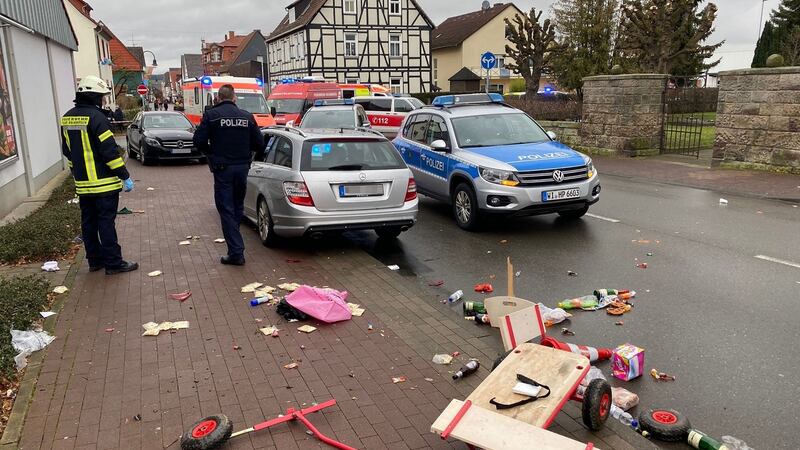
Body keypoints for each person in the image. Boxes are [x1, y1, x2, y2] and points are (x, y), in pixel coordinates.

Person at [61, 75, 138, 275]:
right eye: (102, 96)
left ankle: (94, 260)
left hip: (83, 184)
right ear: (94, 96)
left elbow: (68, 151)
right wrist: (124, 175)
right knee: (106, 223)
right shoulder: (98, 119)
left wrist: (76, 173)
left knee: (88, 223)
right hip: (103, 185)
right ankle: (113, 263)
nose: (103, 100)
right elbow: (109, 152)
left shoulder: (67, 118)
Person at [193, 84, 264, 265]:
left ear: (218, 98)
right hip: (242, 168)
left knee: (225, 209)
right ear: (234, 98)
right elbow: (259, 143)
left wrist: (212, 152)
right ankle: (235, 244)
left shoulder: (211, 115)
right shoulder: (247, 117)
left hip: (223, 169)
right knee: (237, 206)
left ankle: (236, 253)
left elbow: (198, 141)